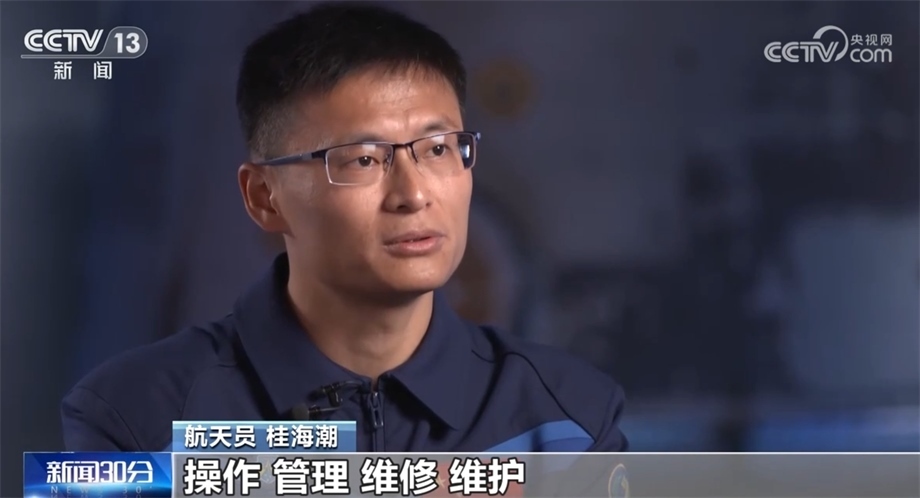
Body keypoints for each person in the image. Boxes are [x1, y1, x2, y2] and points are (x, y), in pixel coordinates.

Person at [61, 2, 628, 452]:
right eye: (363, 159)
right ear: (264, 198)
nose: (414, 195)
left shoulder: (566, 419)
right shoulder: (135, 416)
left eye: (438, 149)